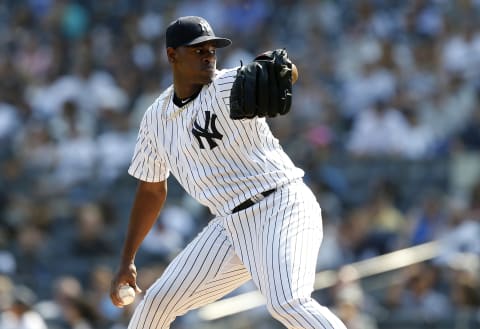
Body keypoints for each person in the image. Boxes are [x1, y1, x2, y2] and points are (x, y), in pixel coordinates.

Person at [110, 15, 347, 329]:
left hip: (281, 206)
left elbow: (283, 74)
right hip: (230, 226)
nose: (208, 54)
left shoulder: (224, 86)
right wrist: (128, 260)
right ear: (172, 55)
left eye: (212, 48)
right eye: (197, 50)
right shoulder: (155, 118)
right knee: (156, 303)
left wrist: (282, 71)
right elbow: (152, 189)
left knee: (287, 301)